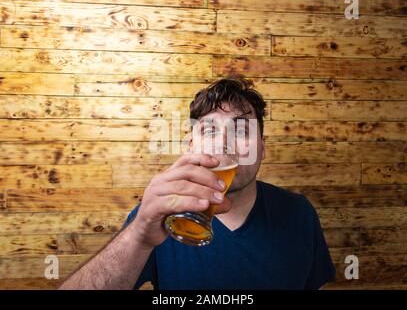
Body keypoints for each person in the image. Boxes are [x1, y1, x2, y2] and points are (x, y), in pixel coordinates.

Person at [59, 77, 336, 290]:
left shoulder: (299, 213)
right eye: (211, 130)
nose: (224, 143)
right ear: (192, 146)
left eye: (241, 130)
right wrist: (138, 236)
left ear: (262, 148)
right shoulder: (156, 214)